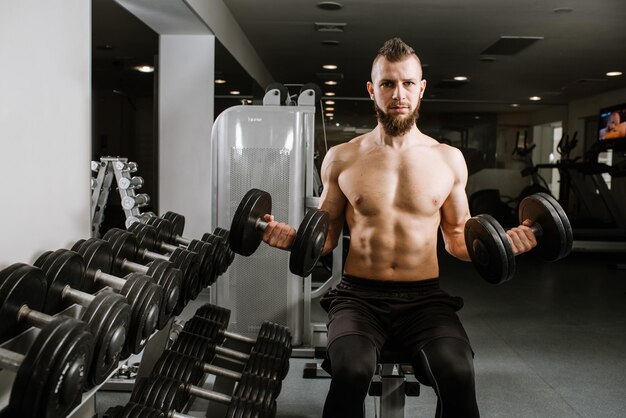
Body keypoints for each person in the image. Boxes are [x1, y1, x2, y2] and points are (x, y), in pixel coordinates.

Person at [262, 37, 537, 418]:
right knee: (351, 371)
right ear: (372, 90)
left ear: (421, 88)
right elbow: (323, 237)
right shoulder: (342, 158)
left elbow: (458, 238)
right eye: (388, 83)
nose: (399, 93)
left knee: (458, 373)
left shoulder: (448, 160)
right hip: (358, 298)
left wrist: (502, 244)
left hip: (424, 301)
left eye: (408, 83)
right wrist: (291, 239)